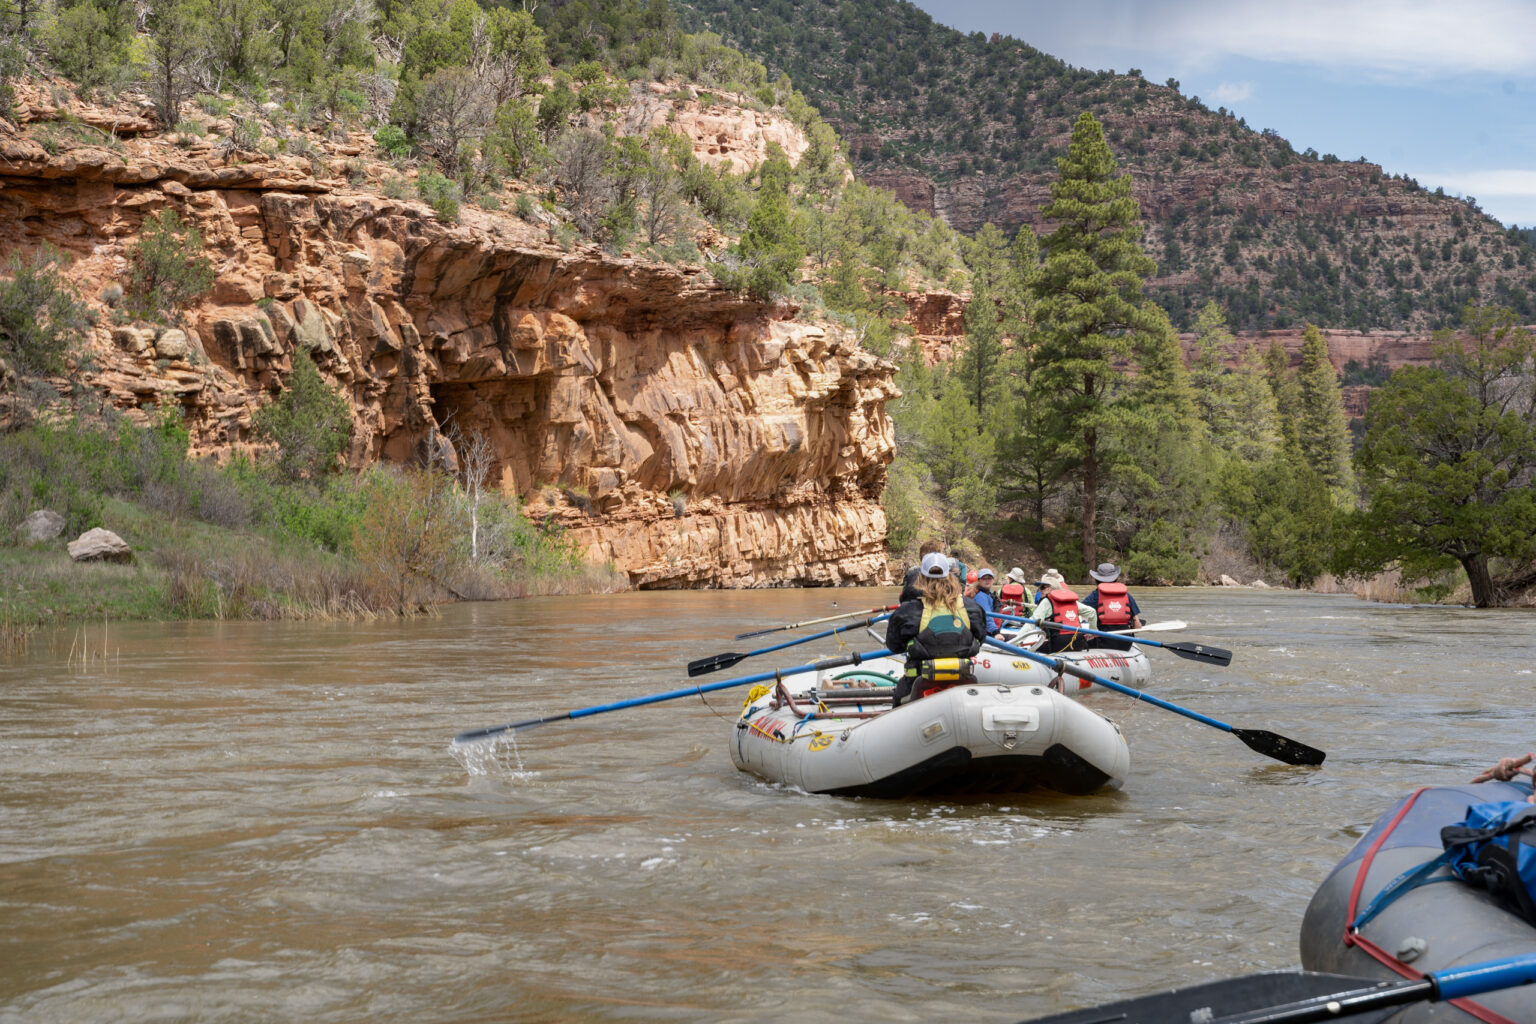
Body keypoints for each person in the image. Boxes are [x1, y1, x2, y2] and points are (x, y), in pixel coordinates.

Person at [885, 551, 986, 707]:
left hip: (916, 684)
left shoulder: (908, 611)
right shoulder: (972, 607)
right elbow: (981, 638)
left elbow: (893, 645)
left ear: (920, 578)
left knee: (898, 701)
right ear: (950, 577)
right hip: (963, 681)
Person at [1081, 562, 1143, 652]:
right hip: (1125, 644)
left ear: (1096, 580)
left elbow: (1080, 617)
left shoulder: (1094, 596)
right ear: (1116, 578)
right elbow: (1137, 627)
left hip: (1102, 643)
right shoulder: (1127, 595)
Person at [1033, 572, 1098, 654]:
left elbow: (1032, 622)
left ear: (1051, 589)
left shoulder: (1046, 602)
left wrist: (1018, 640)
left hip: (1057, 645)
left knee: (1034, 648)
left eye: (1042, 587)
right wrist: (1092, 632)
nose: (1040, 590)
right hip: (1078, 643)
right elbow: (1092, 612)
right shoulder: (1073, 602)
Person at [899, 537, 944, 603]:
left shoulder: (912, 572)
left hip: (913, 608)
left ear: (921, 556)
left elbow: (903, 598)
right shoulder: (946, 575)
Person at [971, 566, 1002, 635]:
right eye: (984, 579)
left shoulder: (987, 594)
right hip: (986, 633)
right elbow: (987, 616)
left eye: (989, 578)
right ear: (979, 581)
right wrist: (995, 632)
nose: (987, 580)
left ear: (993, 580)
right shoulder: (981, 596)